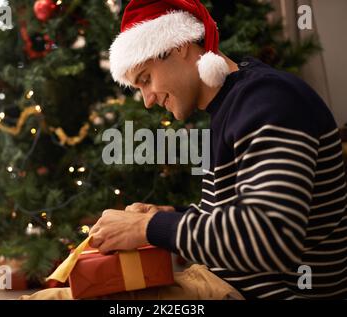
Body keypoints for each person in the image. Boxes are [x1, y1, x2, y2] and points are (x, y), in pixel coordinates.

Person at [88, 0, 347, 299]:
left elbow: (270, 237)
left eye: (146, 79)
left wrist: (148, 226)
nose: (147, 99)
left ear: (180, 46)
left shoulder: (269, 102)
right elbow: (237, 216)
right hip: (226, 283)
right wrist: (170, 213)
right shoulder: (233, 104)